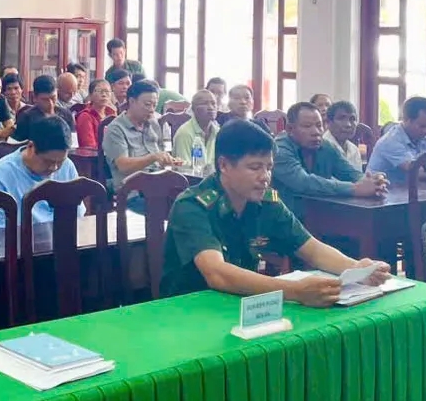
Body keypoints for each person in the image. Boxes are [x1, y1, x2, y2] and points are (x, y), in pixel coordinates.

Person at [160, 119, 391, 300]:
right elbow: (217, 274)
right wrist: (294, 290)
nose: (265, 177)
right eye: (254, 167)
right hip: (188, 312)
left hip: (239, 305)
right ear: (224, 165)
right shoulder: (192, 206)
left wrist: (356, 269)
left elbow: (311, 249)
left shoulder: (267, 202)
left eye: (269, 167)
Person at [272, 102, 387, 217]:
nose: (316, 132)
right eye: (307, 126)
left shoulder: (325, 146)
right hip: (280, 218)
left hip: (318, 216)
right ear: (290, 129)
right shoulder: (280, 148)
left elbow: (349, 173)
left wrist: (373, 182)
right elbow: (303, 182)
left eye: (319, 125)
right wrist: (354, 189)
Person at [0, 116, 81, 231]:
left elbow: (77, 217)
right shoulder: (1, 175)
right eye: (47, 161)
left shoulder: (67, 166)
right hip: (17, 244)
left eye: (60, 162)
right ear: (30, 147)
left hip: (60, 241)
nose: (54, 168)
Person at [102, 79, 183, 195]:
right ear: (132, 101)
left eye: (154, 105)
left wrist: (168, 160)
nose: (151, 110)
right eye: (147, 104)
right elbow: (123, 165)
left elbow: (159, 157)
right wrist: (153, 157)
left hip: (159, 185)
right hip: (132, 191)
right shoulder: (116, 128)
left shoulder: (154, 123)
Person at [365, 96, 426, 184]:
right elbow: (416, 171)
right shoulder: (391, 141)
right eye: (422, 126)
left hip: (406, 192)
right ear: (406, 120)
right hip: (380, 193)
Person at [14, 75, 76, 142]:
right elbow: (18, 147)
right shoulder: (26, 118)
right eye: (45, 99)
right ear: (35, 97)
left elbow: (73, 144)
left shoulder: (66, 115)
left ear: (57, 92)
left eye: (53, 98)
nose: (51, 103)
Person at [171, 89, 219, 164]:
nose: (210, 107)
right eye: (204, 103)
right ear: (193, 108)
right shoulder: (184, 133)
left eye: (213, 103)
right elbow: (184, 169)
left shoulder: (217, 131)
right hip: (191, 175)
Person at [323, 100, 364, 171]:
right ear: (328, 123)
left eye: (352, 119)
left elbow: (358, 177)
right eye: (341, 118)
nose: (348, 125)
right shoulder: (321, 146)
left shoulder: (354, 149)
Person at [76, 79, 116, 149]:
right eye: (99, 91)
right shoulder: (85, 116)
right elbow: (89, 147)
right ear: (91, 95)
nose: (104, 95)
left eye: (107, 91)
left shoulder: (112, 113)